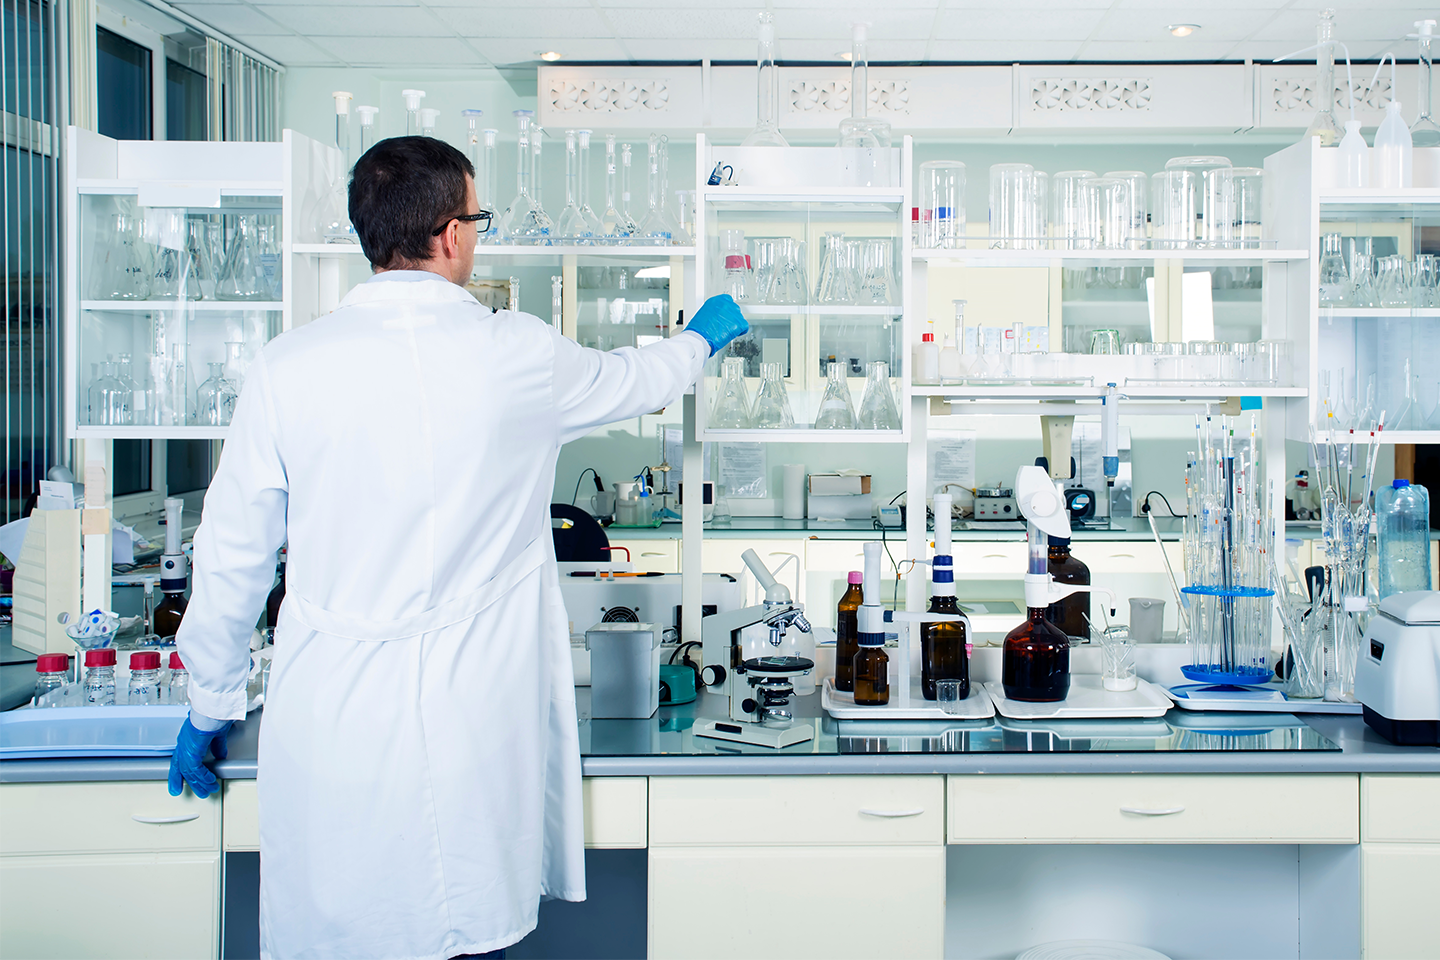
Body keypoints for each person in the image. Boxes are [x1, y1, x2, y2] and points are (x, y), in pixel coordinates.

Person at [167, 135, 747, 959]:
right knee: (457, 919)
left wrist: (209, 702)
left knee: (342, 931)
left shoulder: (287, 366)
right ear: (449, 234)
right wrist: (702, 338)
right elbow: (637, 378)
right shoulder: (515, 354)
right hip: (474, 724)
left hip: (332, 723)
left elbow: (231, 554)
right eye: (476, 218)